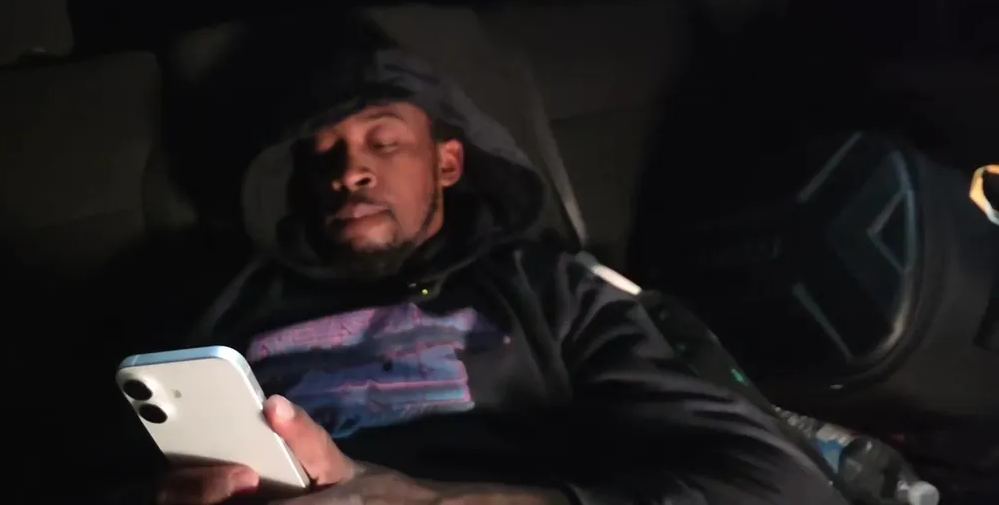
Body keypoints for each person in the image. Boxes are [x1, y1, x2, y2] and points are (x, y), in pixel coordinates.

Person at [156, 46, 843, 505]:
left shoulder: (550, 292)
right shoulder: (229, 314)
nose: (350, 171)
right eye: (323, 156)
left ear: (447, 164)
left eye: (384, 142)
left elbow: (779, 485)